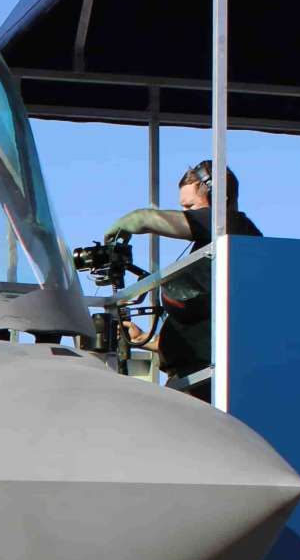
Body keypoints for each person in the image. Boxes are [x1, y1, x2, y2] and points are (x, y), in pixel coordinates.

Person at [105, 160, 262, 401]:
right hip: (189, 379)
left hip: (209, 383)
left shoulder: (232, 225)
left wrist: (133, 220)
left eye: (190, 206)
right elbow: (201, 337)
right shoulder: (208, 252)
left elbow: (145, 220)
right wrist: (142, 339)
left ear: (220, 199)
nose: (186, 213)